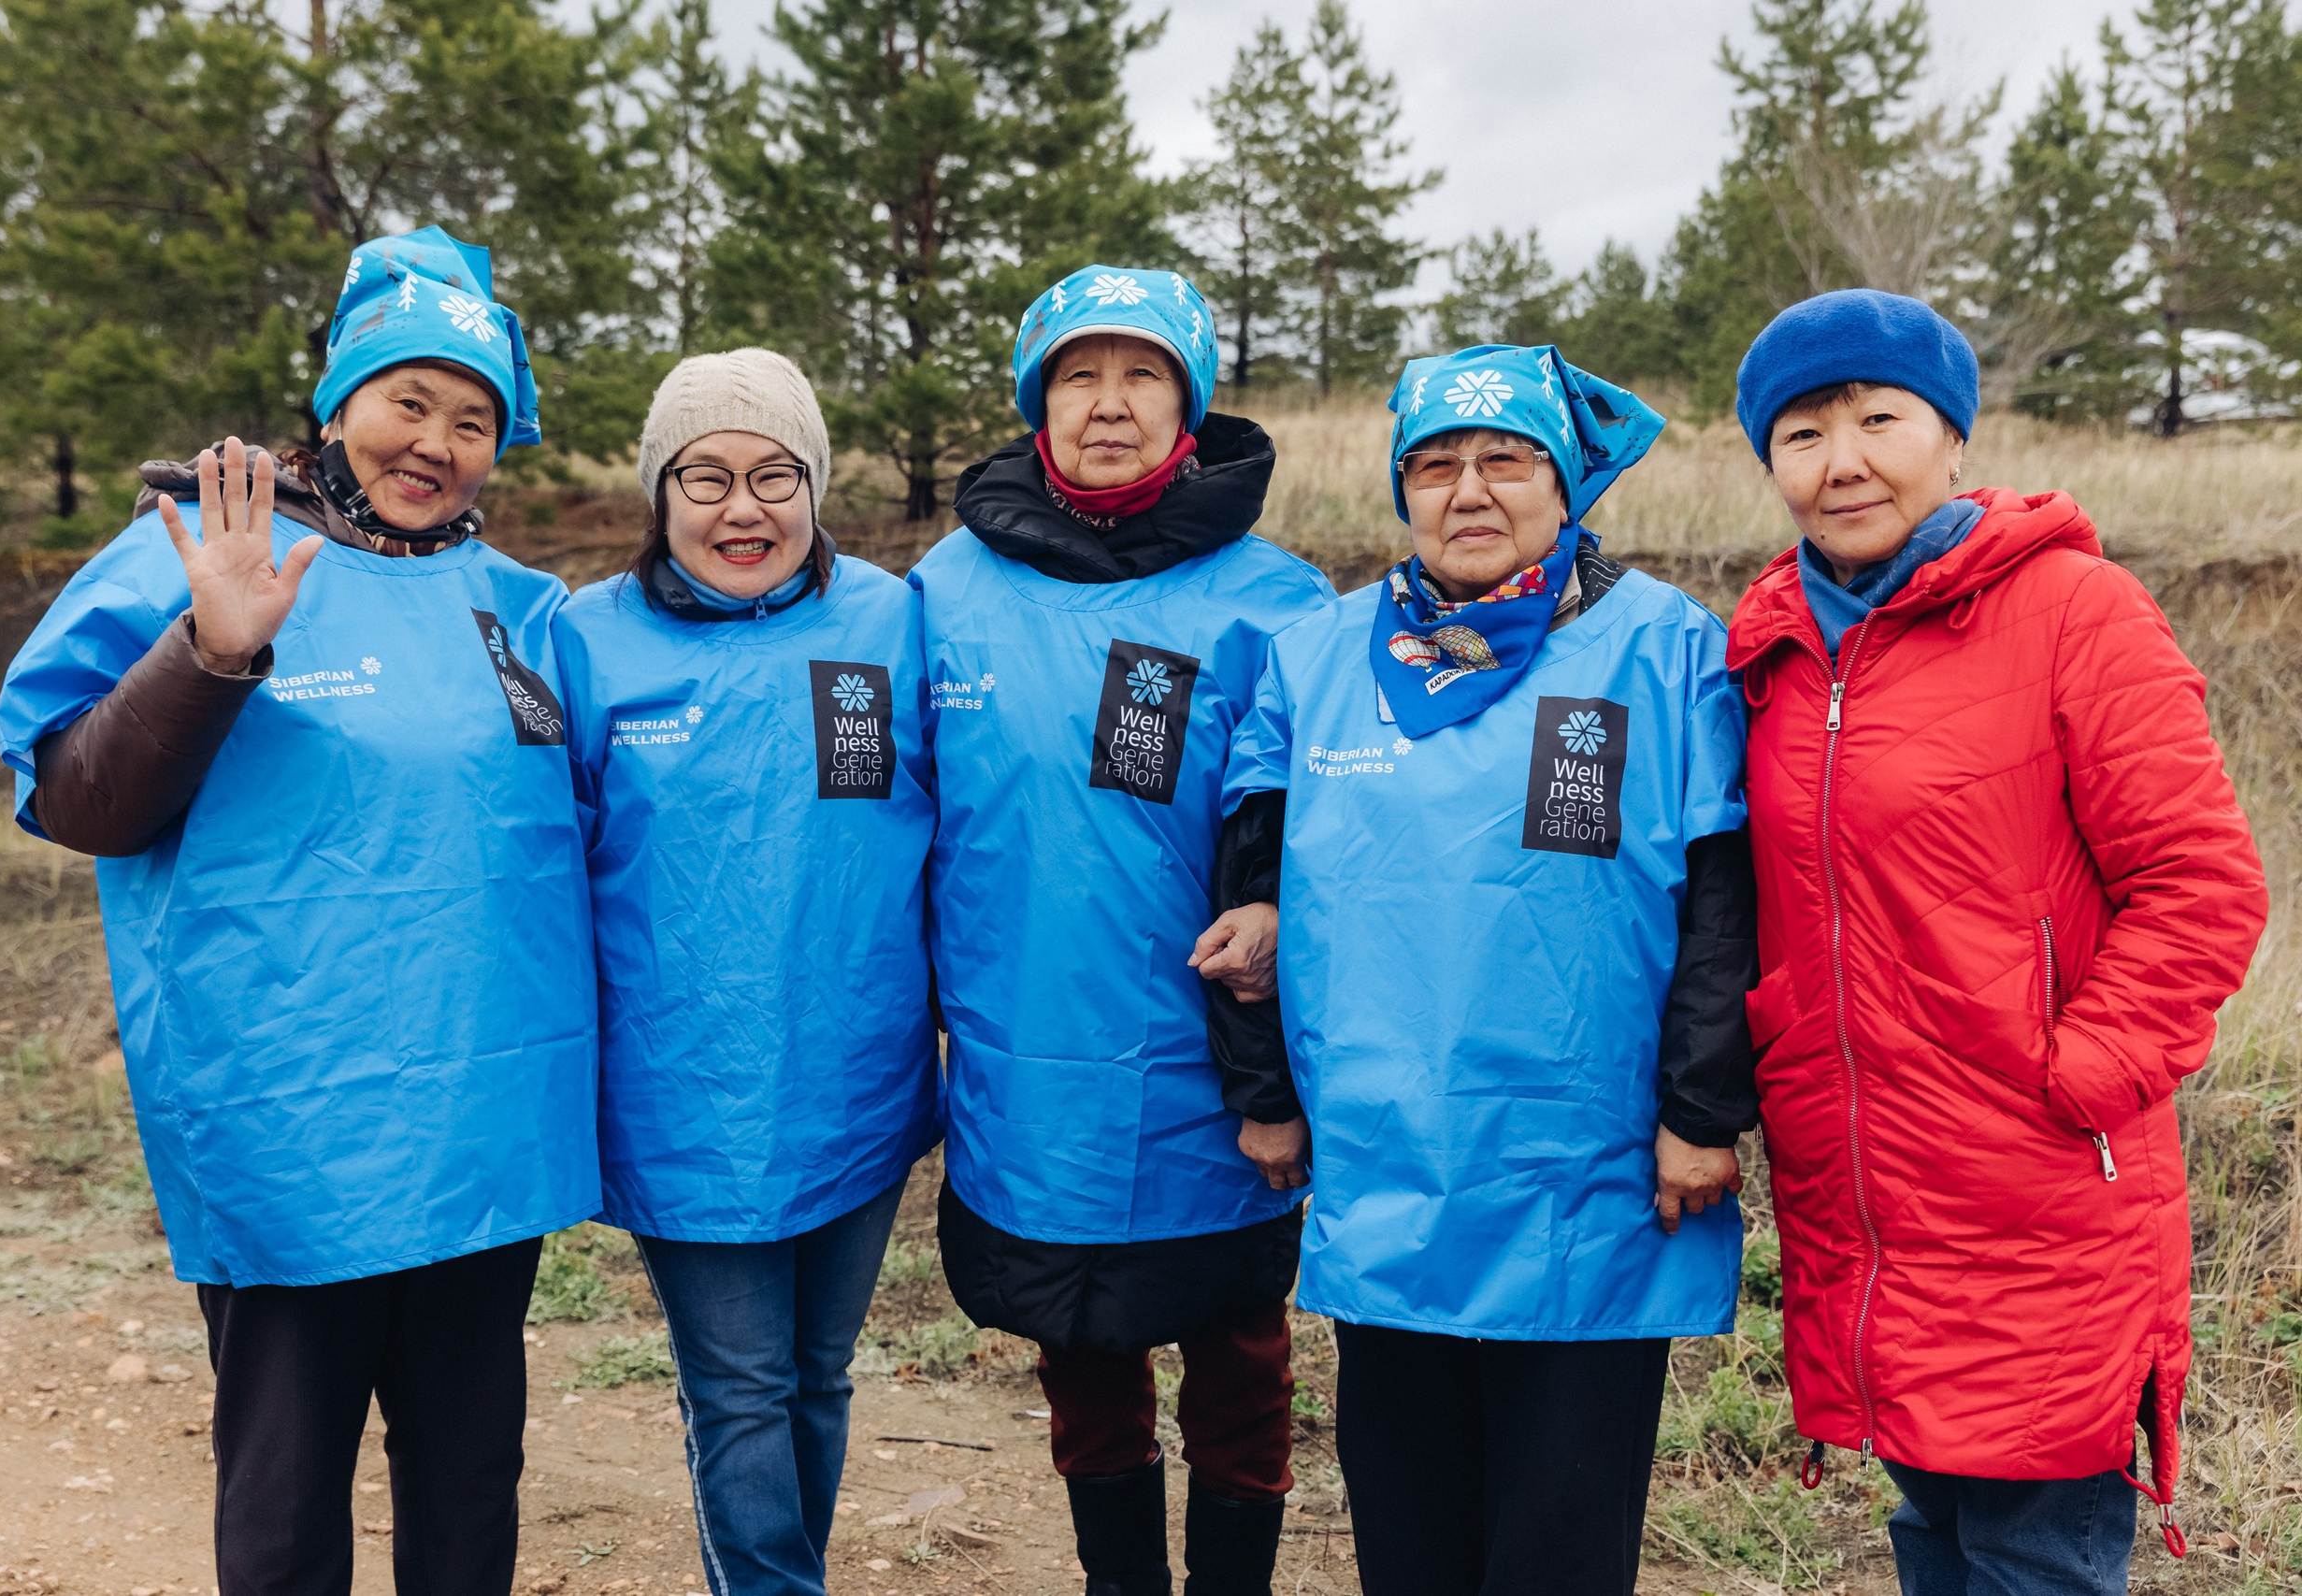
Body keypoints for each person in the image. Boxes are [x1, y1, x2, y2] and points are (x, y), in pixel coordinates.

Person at [0, 226, 592, 1596]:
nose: (434, 441)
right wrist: (214, 651)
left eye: (472, 416)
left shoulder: (524, 609)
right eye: (407, 401)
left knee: (468, 1483)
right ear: (339, 403)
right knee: (283, 1500)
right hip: (291, 1135)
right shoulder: (204, 550)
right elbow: (77, 801)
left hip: (481, 1139)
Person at [1726, 289, 2269, 1594]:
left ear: (1952, 439)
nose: (1842, 459)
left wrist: (2074, 1075)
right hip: (1865, 1195)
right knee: (1937, 1529)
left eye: (1879, 418)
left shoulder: (2075, 610)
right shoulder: (1778, 650)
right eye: (1802, 433)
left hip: (2040, 1187)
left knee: (2037, 1545)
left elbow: (2202, 883)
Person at [1221, 345, 1758, 1596]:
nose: (1469, 490)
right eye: (1435, 465)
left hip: (1589, 1169)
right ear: (1402, 492)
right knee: (1410, 1539)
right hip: (1390, 1161)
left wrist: (1701, 1109)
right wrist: (1264, 1092)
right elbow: (1247, 897)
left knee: (1558, 1551)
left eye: (1504, 460)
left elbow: (1725, 907)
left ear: (1565, 485)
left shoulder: (1666, 651)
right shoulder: (1317, 655)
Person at [914, 265, 1334, 1596]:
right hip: (1020, 1046)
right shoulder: (944, 589)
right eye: (1079, 376)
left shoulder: (1280, 601)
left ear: (1191, 405)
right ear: (1040, 401)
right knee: (1078, 1354)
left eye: (1143, 375)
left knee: (1239, 1356)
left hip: (1211, 1066)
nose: (1110, 405)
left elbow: (1318, 842)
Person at [552, 349, 939, 1596]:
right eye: (706, 476)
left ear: (816, 489)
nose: (743, 508)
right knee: (741, 1392)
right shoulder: (586, 644)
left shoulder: (892, 622)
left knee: (817, 1378)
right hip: (680, 1092)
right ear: (659, 497)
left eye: (776, 475)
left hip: (857, 1079)